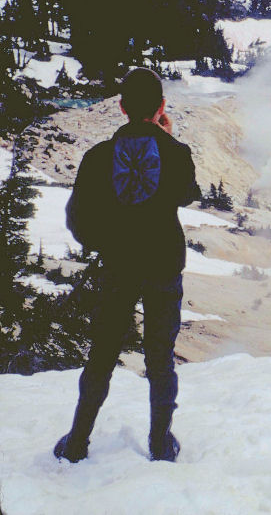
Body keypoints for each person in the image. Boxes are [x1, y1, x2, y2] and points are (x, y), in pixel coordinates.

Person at [54, 68, 200, 463]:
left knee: (101, 353)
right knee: (160, 356)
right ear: (161, 107)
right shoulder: (176, 153)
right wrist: (167, 139)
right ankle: (159, 444)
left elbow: (77, 218)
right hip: (164, 265)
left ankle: (77, 443)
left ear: (121, 107)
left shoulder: (97, 156)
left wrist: (105, 244)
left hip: (117, 267)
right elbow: (188, 194)